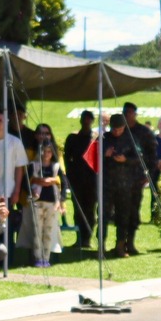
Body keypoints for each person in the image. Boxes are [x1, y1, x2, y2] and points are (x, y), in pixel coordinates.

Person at [102, 112, 145, 256]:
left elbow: (139, 156)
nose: (116, 132)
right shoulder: (104, 138)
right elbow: (93, 158)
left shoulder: (131, 138)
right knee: (103, 215)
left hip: (125, 183)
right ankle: (101, 246)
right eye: (114, 129)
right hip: (107, 183)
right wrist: (105, 154)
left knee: (123, 215)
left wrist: (125, 159)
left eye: (119, 129)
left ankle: (120, 245)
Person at [63, 110, 101, 250]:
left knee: (90, 210)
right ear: (81, 120)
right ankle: (79, 238)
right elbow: (67, 159)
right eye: (84, 119)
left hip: (92, 181)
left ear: (92, 121)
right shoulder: (73, 138)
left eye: (89, 120)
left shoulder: (96, 138)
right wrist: (69, 176)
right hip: (77, 180)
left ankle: (87, 238)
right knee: (78, 211)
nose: (86, 122)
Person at [28, 137, 63, 268]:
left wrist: (61, 201)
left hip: (52, 202)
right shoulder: (34, 166)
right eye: (43, 151)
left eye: (49, 151)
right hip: (37, 201)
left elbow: (64, 183)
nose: (46, 154)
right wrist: (33, 190)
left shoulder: (56, 167)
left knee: (48, 231)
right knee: (37, 230)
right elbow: (26, 182)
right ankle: (37, 257)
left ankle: (46, 258)